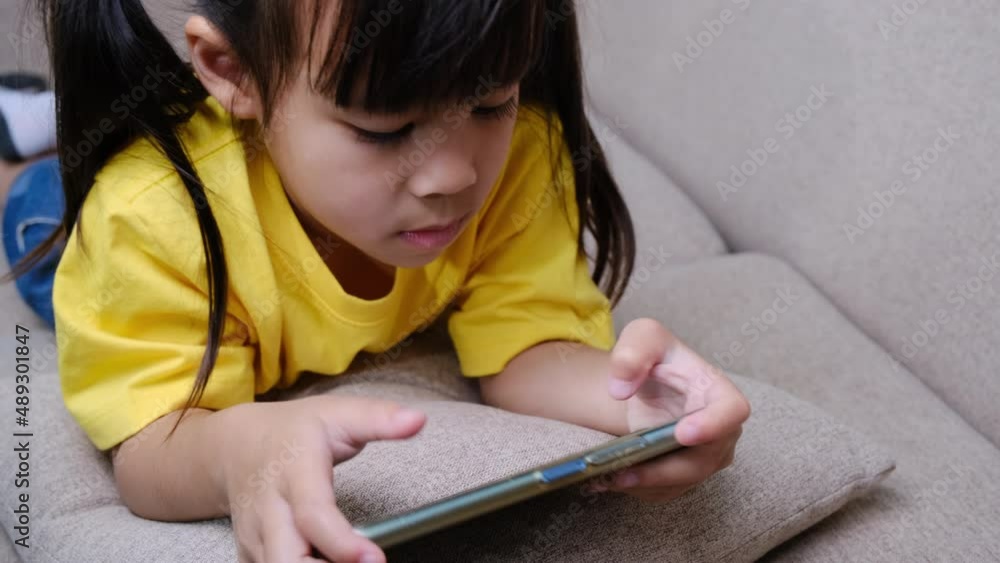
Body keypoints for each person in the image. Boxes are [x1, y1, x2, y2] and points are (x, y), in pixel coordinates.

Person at [1, 1, 750, 561]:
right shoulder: (148, 220)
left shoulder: (519, 160)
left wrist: (635, 404)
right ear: (233, 73)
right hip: (108, 238)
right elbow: (153, 442)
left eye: (491, 104)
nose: (455, 175)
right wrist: (238, 453)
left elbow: (530, 344)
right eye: (385, 130)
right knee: (38, 217)